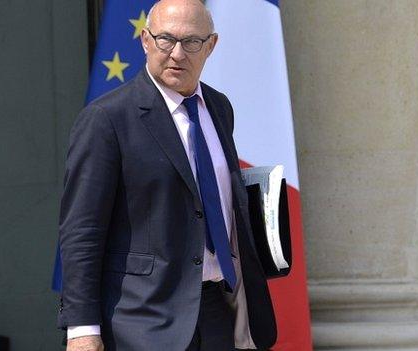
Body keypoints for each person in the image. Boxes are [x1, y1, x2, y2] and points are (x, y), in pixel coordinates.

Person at [56, 0, 277, 350]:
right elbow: (82, 231)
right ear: (145, 41)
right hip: (142, 322)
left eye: (191, 42)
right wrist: (83, 329)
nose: (176, 53)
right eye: (165, 40)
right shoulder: (107, 119)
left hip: (218, 312)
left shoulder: (219, 107)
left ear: (211, 45)